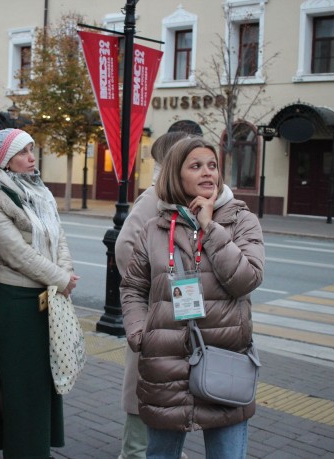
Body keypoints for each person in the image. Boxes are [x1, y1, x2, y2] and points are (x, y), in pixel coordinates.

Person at [120, 137, 265, 459]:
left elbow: (246, 280)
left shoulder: (242, 221)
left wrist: (210, 227)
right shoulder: (154, 229)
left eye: (212, 166)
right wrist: (140, 334)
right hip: (165, 362)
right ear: (176, 174)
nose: (207, 173)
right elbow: (132, 287)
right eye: (196, 166)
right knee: (160, 454)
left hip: (225, 359)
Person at [0, 128, 79, 458]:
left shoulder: (41, 192)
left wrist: (62, 272)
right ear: (5, 161)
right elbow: (16, 254)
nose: (31, 157)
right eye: (22, 152)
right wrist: (60, 279)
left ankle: (38, 447)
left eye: (32, 150)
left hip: (48, 294)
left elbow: (58, 236)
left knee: (43, 379)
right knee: (20, 382)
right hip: (16, 301)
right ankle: (23, 450)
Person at [115, 131, 190, 459]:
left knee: (171, 387)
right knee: (143, 384)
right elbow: (124, 247)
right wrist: (155, 285)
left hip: (179, 313)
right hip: (154, 311)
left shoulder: (184, 198)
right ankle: (134, 452)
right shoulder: (154, 197)